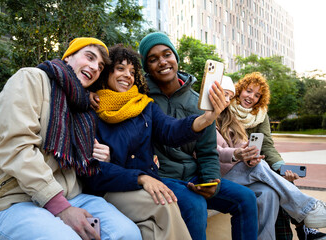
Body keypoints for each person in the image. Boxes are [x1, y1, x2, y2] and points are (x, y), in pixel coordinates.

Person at [0, 38, 142, 240]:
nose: (94, 67)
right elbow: (15, 149)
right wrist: (61, 207)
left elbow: (83, 163)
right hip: (16, 200)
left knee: (128, 234)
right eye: (89, 57)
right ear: (68, 57)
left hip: (73, 196)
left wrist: (102, 157)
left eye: (100, 66)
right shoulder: (30, 79)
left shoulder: (83, 104)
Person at [83, 43, 228, 240]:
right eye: (120, 69)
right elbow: (94, 169)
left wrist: (205, 119)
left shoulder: (144, 106)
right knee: (166, 205)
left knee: (154, 228)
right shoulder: (91, 109)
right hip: (111, 188)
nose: (127, 75)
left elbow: (171, 130)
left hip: (145, 186)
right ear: (107, 72)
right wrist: (141, 178)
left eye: (132, 71)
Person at [139, 32, 258, 240]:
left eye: (167, 54)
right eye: (153, 59)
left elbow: (207, 151)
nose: (162, 62)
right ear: (146, 66)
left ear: (176, 58)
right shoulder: (140, 98)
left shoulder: (199, 103)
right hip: (161, 177)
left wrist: (212, 181)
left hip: (192, 176)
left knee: (246, 198)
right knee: (195, 204)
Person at [216, 75, 326, 239]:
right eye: (248, 91)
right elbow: (216, 150)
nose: (251, 97)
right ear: (239, 92)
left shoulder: (259, 115)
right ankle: (308, 210)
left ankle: (298, 231)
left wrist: (281, 167)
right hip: (230, 168)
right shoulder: (223, 111)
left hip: (250, 162)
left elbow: (266, 144)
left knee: (272, 188)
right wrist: (241, 155)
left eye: (257, 95)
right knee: (269, 175)